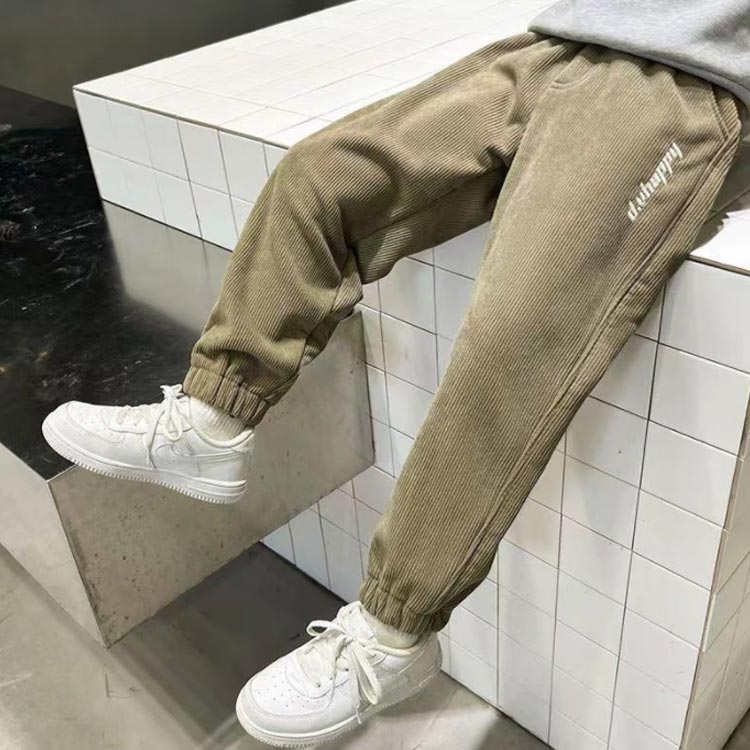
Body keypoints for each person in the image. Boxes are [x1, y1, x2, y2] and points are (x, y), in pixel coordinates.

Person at [43, 0, 748, 745]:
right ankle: (212, 417)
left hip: (689, 87)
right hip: (568, 42)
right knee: (318, 176)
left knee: (517, 332)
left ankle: (392, 630)